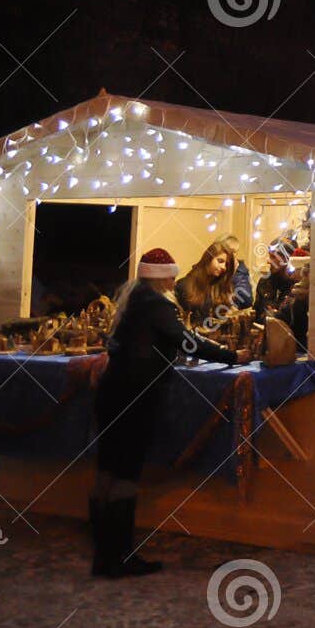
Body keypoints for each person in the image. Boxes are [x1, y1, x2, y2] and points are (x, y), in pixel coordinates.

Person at [92, 247, 241, 579]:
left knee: (108, 469)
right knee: (125, 473)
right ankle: (118, 557)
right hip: (134, 396)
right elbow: (185, 340)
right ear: (162, 278)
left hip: (113, 393)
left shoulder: (134, 299)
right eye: (171, 275)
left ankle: (103, 552)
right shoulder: (158, 304)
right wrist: (232, 356)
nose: (175, 280)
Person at [175, 242, 234, 323]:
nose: (224, 267)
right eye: (220, 261)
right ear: (208, 258)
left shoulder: (217, 285)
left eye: (227, 264)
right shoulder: (185, 285)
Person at [219, 235, 254, 308]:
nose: (231, 255)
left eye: (234, 252)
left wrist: (232, 274)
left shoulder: (240, 270)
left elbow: (246, 300)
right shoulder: (213, 267)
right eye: (227, 251)